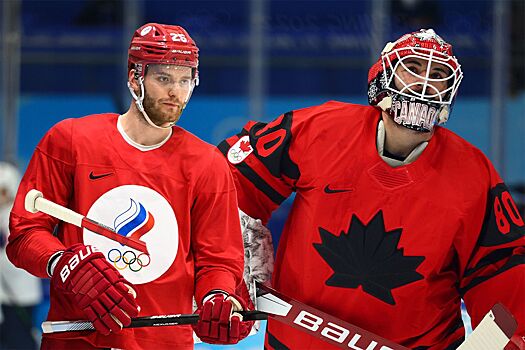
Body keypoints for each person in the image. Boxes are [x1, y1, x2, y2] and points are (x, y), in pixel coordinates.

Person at [218, 29, 525, 349]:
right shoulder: (321, 129)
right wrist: (233, 278)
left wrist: (507, 342)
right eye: (414, 69)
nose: (424, 84)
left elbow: (500, 270)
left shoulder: (474, 174)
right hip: (296, 343)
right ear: (384, 77)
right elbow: (225, 183)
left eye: (437, 75)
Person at [7, 23, 253, 349]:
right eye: (163, 78)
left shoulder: (206, 164)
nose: (175, 92)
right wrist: (64, 264)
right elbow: (25, 234)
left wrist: (219, 297)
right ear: (136, 77)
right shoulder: (71, 141)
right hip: (78, 339)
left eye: (185, 80)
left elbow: (219, 260)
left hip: (163, 342)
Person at [0, 162, 42, 350]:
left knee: (20, 341)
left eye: (2, 191)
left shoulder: (19, 214)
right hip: (4, 294)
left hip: (19, 294)